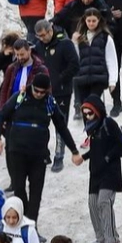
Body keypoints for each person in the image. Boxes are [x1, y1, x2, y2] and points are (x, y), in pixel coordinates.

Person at [0, 72, 77, 222]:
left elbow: (61, 127)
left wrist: (74, 150)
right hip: (17, 151)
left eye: (42, 92)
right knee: (19, 188)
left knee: (36, 191)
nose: (38, 94)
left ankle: (32, 225)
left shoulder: (50, 102)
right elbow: (1, 115)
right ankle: (22, 221)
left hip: (39, 154)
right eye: (36, 90)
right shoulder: (20, 97)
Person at [79, 95, 122, 243]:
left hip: (110, 172)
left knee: (103, 202)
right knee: (92, 203)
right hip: (95, 172)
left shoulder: (108, 123)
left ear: (97, 111)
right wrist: (84, 157)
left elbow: (120, 144)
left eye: (90, 113)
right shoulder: (92, 128)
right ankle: (100, 237)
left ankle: (111, 237)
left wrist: (107, 158)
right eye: (85, 114)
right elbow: (95, 150)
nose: (87, 116)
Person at [32, 19, 78, 171]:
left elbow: (74, 65)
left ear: (51, 30)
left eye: (44, 35)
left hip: (62, 92)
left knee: (60, 124)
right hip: (43, 92)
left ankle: (60, 156)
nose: (42, 39)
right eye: (39, 36)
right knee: (41, 123)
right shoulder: (39, 46)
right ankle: (44, 153)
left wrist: (59, 80)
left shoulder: (65, 44)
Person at [71, 7, 115, 127]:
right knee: (85, 107)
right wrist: (74, 43)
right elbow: (75, 57)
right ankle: (89, 132)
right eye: (88, 20)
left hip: (98, 77)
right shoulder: (80, 37)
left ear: (98, 20)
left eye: (93, 21)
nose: (91, 23)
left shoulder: (106, 37)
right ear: (85, 20)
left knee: (93, 104)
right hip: (83, 77)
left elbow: (111, 59)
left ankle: (99, 128)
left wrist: (112, 81)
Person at [0, 38, 45, 110]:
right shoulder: (11, 69)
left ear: (29, 51)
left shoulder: (40, 69)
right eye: (17, 55)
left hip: (31, 111)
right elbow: (4, 91)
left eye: (22, 54)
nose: (19, 57)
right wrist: (2, 111)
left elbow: (47, 93)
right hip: (12, 110)